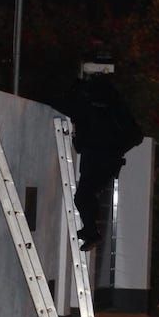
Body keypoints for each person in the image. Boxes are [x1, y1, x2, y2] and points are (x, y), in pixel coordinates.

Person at [63, 45, 143, 251]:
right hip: (98, 157)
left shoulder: (101, 97)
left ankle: (92, 232)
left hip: (102, 158)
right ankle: (90, 230)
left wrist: (113, 150)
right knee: (87, 195)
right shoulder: (103, 96)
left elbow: (135, 134)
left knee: (84, 195)